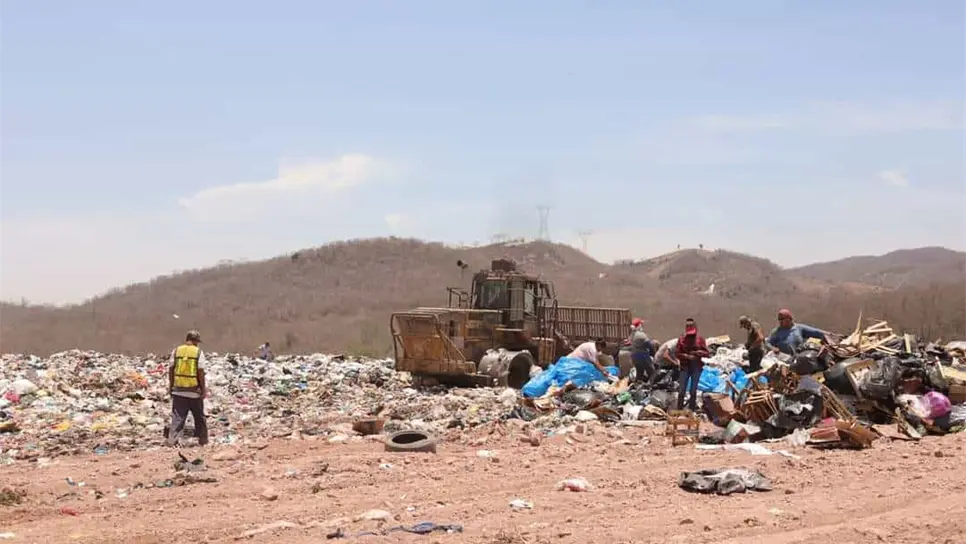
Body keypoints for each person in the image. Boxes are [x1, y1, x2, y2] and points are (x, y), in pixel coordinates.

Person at [167, 330, 209, 447]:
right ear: (196, 341)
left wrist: (171, 386)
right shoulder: (198, 352)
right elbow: (200, 372)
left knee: (178, 417)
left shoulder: (176, 351)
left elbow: (171, 369)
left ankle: (172, 440)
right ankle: (203, 440)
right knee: (199, 417)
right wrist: (203, 389)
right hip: (193, 390)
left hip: (178, 390)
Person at [675, 318, 709, 411]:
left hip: (696, 367)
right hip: (684, 367)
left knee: (693, 391)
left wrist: (697, 353)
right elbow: (677, 353)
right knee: (681, 391)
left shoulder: (700, 339)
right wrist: (686, 356)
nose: (690, 337)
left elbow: (706, 353)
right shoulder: (682, 339)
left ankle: (692, 410)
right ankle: (679, 410)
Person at [628, 318, 655, 382]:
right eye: (641, 324)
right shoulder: (641, 335)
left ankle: (636, 386)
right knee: (652, 372)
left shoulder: (632, 335)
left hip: (634, 356)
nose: (642, 325)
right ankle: (652, 386)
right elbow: (649, 345)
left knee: (639, 373)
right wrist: (654, 353)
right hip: (642, 356)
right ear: (639, 325)